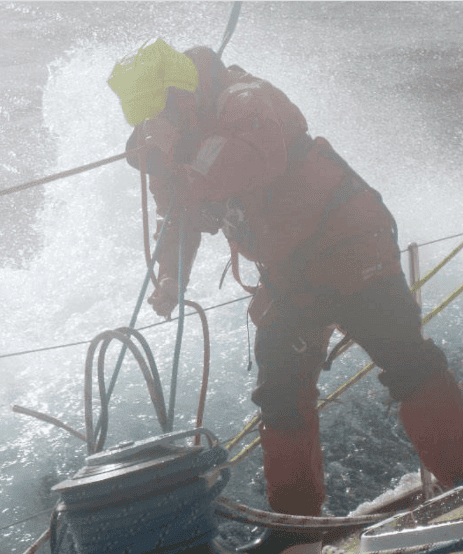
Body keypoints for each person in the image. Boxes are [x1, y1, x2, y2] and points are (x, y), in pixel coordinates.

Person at [108, 38, 463, 554]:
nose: (150, 128)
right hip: (291, 274)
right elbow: (181, 217)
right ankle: (295, 533)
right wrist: (170, 280)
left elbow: (256, 160)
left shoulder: (246, 101)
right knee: (280, 395)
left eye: (155, 114)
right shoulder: (173, 145)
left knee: (408, 364)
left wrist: (178, 166)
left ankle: (461, 479)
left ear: (179, 97)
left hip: (347, 245)